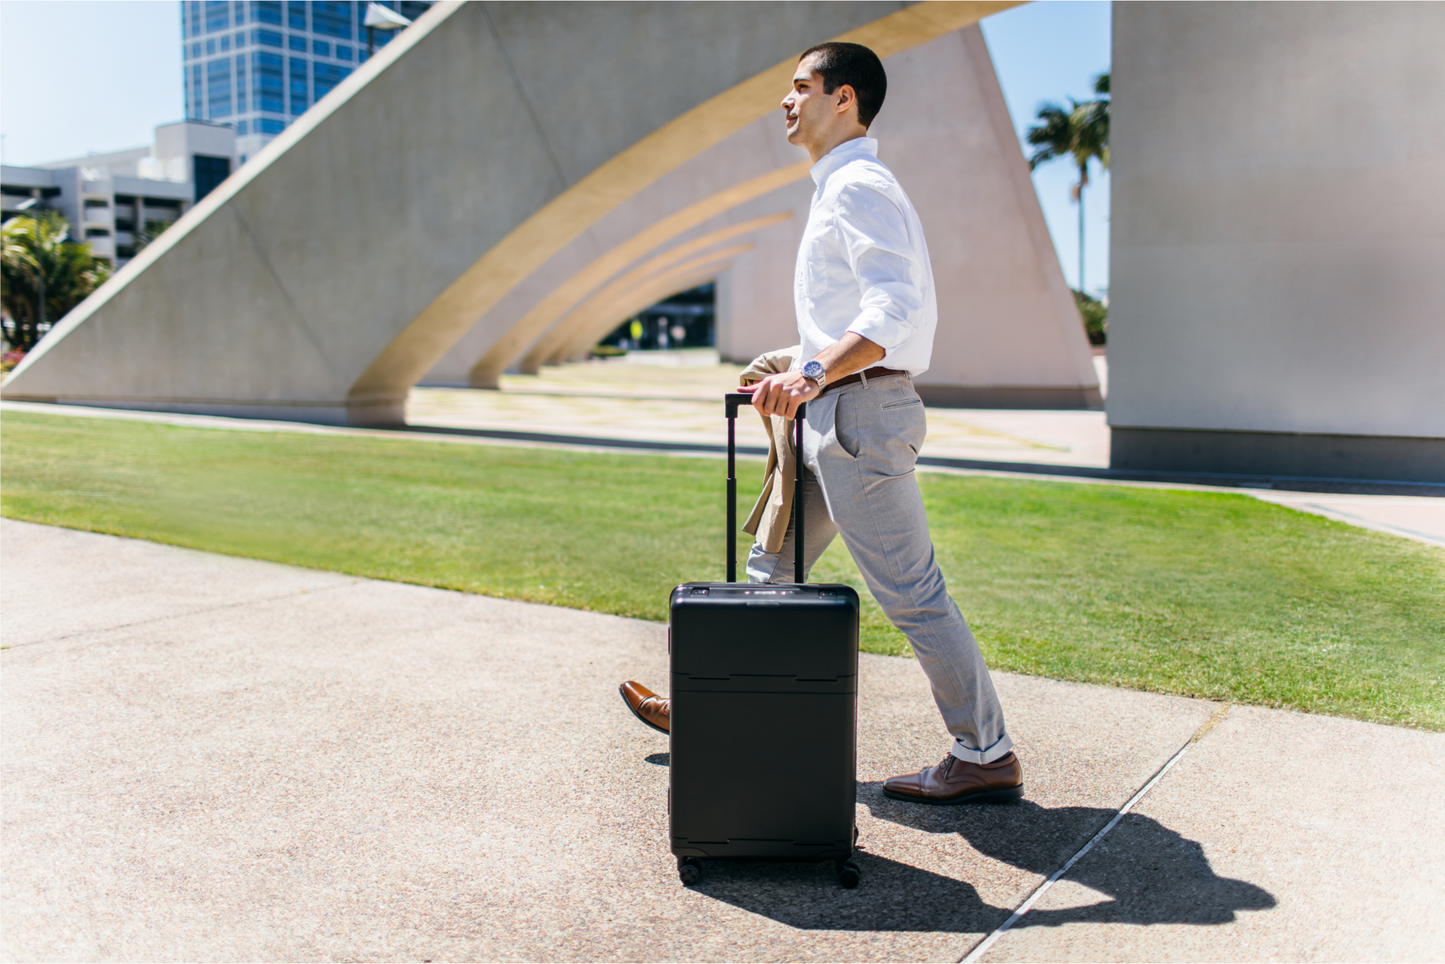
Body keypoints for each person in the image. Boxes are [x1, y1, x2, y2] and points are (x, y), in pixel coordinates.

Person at [620, 41, 1022, 805]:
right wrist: (792, 362)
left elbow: (892, 310)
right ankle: (711, 708)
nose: (785, 99)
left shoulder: (858, 185)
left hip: (859, 413)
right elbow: (849, 319)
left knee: (909, 590)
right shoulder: (837, 186)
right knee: (771, 573)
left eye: (800, 86)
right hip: (833, 411)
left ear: (844, 99)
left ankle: (984, 751)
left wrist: (809, 372)